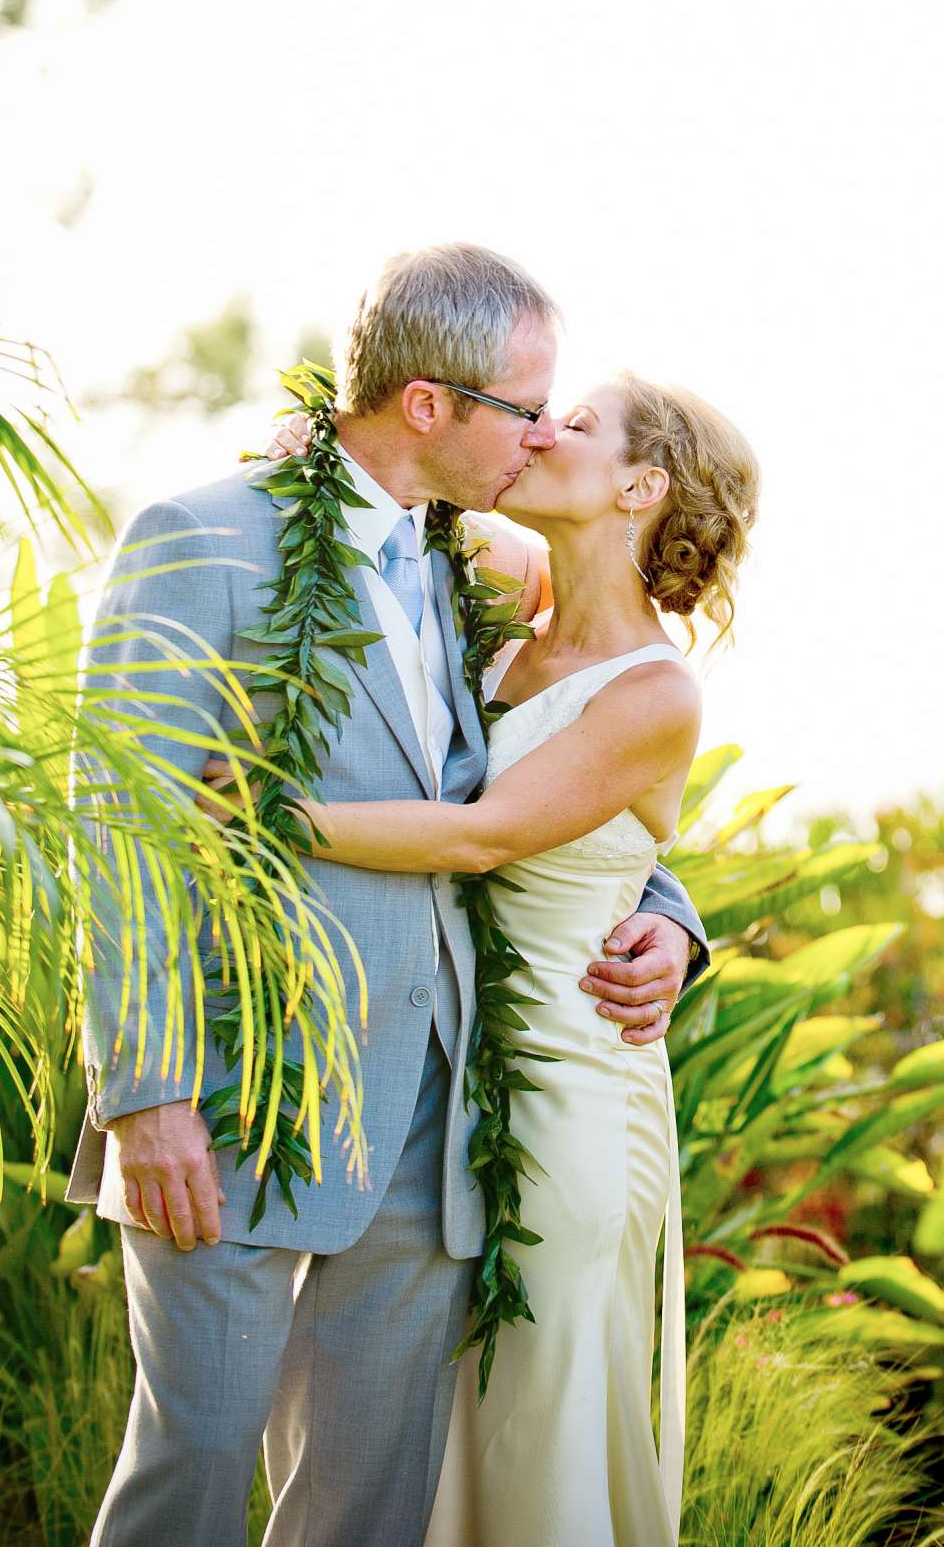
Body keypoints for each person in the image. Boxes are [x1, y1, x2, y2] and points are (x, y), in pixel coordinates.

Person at [68, 245, 709, 1547]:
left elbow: (542, 786)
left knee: (371, 1502)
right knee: (190, 1468)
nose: (538, 440)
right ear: (431, 406)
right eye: (524, 411)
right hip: (243, 1096)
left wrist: (670, 913)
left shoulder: (466, 573)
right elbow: (125, 822)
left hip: (436, 1123)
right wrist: (147, 1092)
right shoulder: (205, 541)